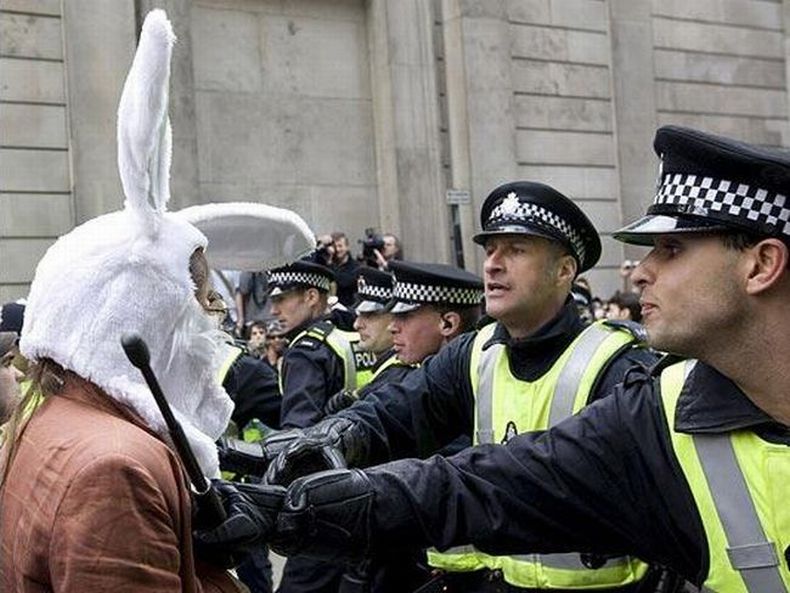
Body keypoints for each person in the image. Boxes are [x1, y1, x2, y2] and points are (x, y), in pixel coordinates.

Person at [199, 125, 790, 592]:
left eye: (672, 248)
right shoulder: (659, 416)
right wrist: (298, 495)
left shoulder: (622, 370)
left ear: (761, 265)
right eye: (492, 249)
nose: (641, 271)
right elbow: (473, 484)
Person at [201, 180, 658, 593]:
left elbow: (497, 484)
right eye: (491, 250)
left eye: (516, 250)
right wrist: (333, 436)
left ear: (564, 271)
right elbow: (395, 410)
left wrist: (352, 502)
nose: (494, 265)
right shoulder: (476, 353)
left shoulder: (619, 364)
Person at [0, 11, 315, 592]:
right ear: (142, 312)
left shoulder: (49, 416)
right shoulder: (115, 468)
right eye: (199, 295)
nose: (213, 314)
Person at [324, 266, 414, 415]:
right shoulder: (388, 368)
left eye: (370, 315)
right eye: (359, 315)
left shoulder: (398, 375)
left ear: (396, 317)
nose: (357, 324)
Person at [331, 232, 361, 308]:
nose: (337, 249)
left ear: (347, 247)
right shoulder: (328, 265)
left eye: (340, 246)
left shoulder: (357, 267)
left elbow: (345, 282)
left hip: (349, 308)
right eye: (334, 247)